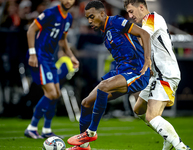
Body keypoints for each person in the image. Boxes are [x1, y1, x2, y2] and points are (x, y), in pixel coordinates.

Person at [66, 1, 151, 150]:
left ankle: (91, 132)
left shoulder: (116, 22)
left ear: (102, 14)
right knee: (86, 103)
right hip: (122, 72)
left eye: (92, 17)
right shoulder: (105, 35)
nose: (90, 21)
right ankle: (83, 146)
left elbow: (144, 34)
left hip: (137, 71)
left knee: (104, 87)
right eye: (87, 18)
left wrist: (147, 60)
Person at [124, 0, 191, 150]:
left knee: (151, 116)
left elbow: (143, 37)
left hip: (166, 74)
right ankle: (168, 137)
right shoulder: (148, 23)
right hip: (157, 75)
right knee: (138, 109)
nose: (130, 15)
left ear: (141, 7)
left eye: (131, 11)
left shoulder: (152, 18)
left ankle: (181, 147)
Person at [24, 0, 79, 139]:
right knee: (51, 93)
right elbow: (31, 30)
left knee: (56, 94)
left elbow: (62, 40)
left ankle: (47, 129)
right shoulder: (50, 13)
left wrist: (71, 56)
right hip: (39, 56)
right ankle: (31, 127)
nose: (68, 1)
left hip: (50, 59)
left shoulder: (69, 17)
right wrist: (32, 53)